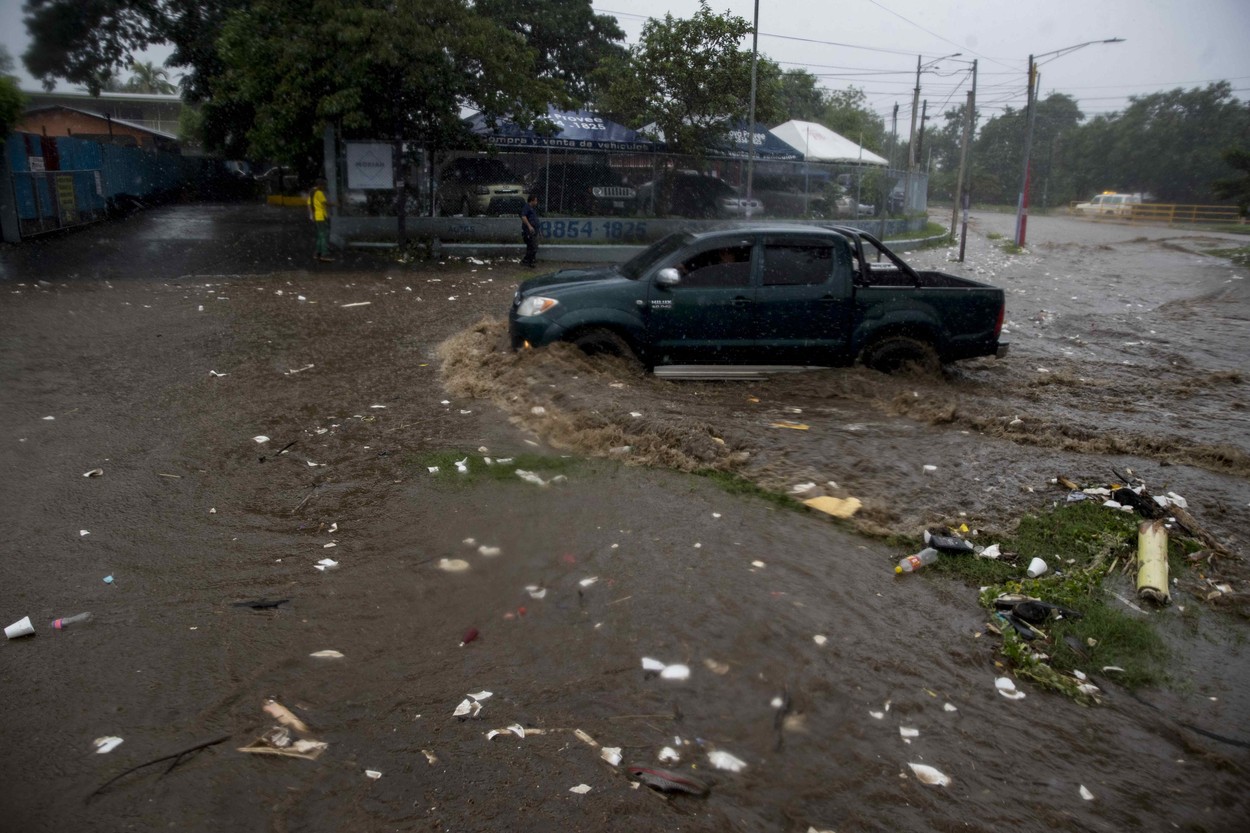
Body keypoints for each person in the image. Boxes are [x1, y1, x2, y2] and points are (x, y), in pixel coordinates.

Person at [308, 178, 334, 262]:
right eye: (324, 185)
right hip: (321, 216)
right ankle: (324, 254)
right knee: (324, 236)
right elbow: (325, 203)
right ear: (320, 185)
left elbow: (309, 204)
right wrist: (335, 204)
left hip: (316, 216)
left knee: (320, 235)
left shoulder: (312, 192)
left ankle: (317, 253)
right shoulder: (319, 193)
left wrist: (312, 214)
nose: (325, 187)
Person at [520, 194, 540, 268]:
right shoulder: (527, 207)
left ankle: (529, 260)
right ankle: (528, 261)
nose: (536, 202)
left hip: (533, 231)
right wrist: (529, 226)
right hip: (528, 231)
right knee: (533, 246)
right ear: (532, 201)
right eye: (535, 201)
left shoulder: (532, 208)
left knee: (532, 246)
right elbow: (523, 217)